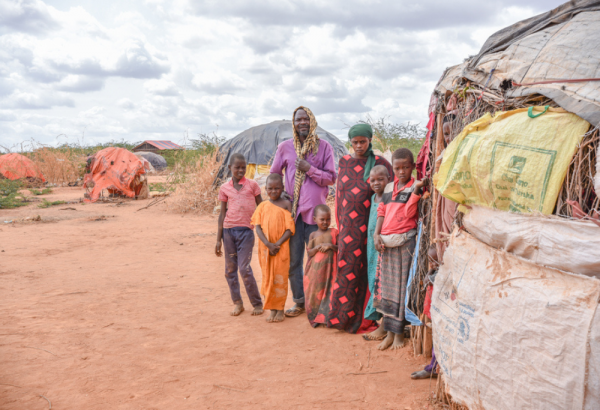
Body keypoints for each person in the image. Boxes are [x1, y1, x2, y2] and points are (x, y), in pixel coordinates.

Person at [270, 106, 337, 318]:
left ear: (312, 121)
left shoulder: (324, 147)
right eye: (299, 120)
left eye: (306, 119)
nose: (302, 123)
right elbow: (274, 175)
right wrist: (282, 199)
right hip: (293, 214)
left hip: (317, 216)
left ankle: (317, 302)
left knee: (318, 259)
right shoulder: (284, 148)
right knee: (294, 260)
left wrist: (309, 169)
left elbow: (331, 178)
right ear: (294, 122)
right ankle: (299, 301)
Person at [328, 123, 393, 334]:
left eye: (362, 141)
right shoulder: (344, 162)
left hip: (374, 224)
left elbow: (390, 193)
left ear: (370, 140)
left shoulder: (381, 163)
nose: (358, 146)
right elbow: (340, 196)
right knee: (347, 270)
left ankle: (367, 319)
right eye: (354, 142)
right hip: (349, 228)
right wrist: (340, 225)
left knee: (371, 269)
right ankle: (341, 317)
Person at [373, 148, 427, 350]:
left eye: (406, 167)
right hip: (386, 243)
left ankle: (398, 334)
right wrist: (376, 234)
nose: (401, 171)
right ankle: (388, 332)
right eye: (397, 168)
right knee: (387, 288)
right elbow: (382, 211)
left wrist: (414, 192)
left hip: (404, 243)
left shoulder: (416, 187)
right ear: (392, 168)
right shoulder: (388, 188)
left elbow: (409, 213)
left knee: (401, 288)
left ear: (413, 166)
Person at [215, 153, 264, 317]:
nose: (241, 170)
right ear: (230, 168)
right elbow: (222, 214)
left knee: (244, 268)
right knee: (230, 270)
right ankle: (238, 303)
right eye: (237, 167)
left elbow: (261, 207)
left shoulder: (252, 185)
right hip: (228, 232)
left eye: (244, 167)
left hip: (246, 232)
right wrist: (218, 239)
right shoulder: (224, 188)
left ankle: (257, 303)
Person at [251, 173, 295, 323]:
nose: (273, 191)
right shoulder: (262, 206)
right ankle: (271, 309)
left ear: (282, 188)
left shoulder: (287, 205)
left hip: (281, 249)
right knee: (268, 278)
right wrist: (269, 245)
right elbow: (257, 228)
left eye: (277, 188)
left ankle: (280, 309)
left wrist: (277, 244)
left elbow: (289, 229)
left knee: (280, 278)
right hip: (266, 250)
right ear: (266, 189)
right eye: (270, 188)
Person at [362, 165, 390, 341]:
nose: (376, 183)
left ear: (388, 179)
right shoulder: (373, 198)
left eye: (380, 179)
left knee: (384, 284)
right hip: (371, 249)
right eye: (373, 180)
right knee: (374, 282)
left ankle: (385, 326)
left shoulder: (389, 199)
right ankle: (381, 324)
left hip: (383, 247)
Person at [303, 204, 338, 327]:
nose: (325, 222)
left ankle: (327, 318)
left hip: (330, 270)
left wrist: (330, 246)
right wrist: (317, 247)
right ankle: (315, 317)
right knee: (315, 293)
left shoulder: (334, 232)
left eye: (328, 219)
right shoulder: (313, 235)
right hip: (316, 271)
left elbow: (340, 248)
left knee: (329, 291)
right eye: (322, 219)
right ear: (314, 219)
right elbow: (310, 253)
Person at [412, 245, 439, 379]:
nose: (433, 264)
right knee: (437, 339)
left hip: (442, 315)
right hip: (435, 314)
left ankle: (434, 368)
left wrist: (430, 274)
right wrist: (430, 271)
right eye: (430, 261)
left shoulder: (443, 273)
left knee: (440, 341)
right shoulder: (434, 271)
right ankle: (433, 367)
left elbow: (433, 278)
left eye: (435, 260)